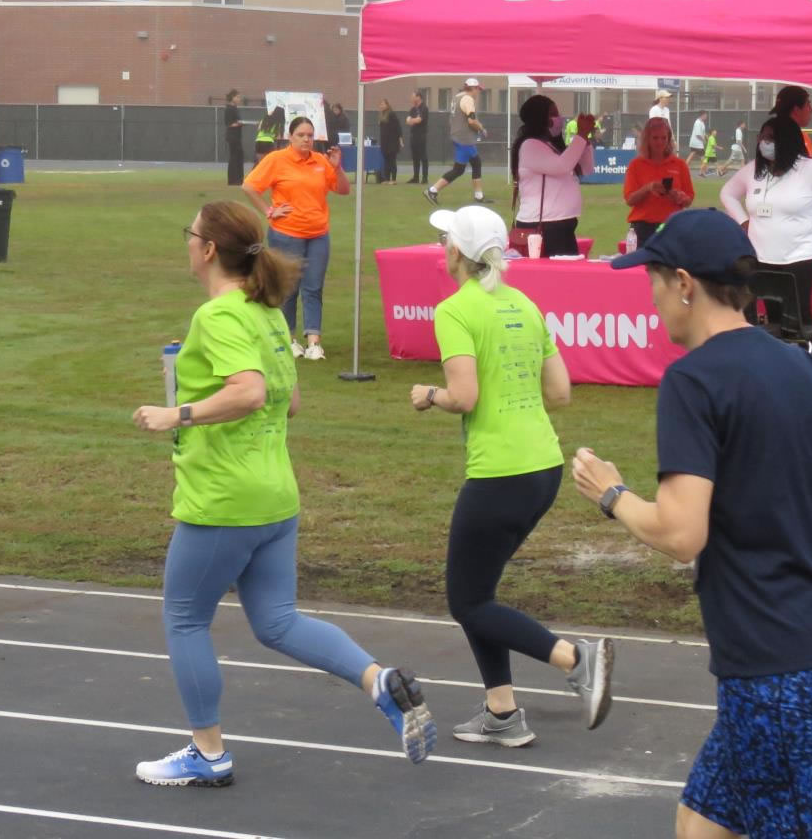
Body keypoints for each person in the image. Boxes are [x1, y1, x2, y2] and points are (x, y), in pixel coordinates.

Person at [571, 208, 812, 839]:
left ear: (684, 283)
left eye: (653, 281)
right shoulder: (796, 363)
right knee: (699, 824)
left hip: (772, 671)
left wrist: (612, 494)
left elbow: (681, 534)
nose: (651, 299)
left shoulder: (692, 382)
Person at [129, 201, 435, 786]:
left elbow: (248, 392)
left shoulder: (218, 316)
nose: (186, 242)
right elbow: (287, 401)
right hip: (275, 497)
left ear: (208, 249)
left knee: (185, 619)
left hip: (224, 500)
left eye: (190, 233)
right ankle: (378, 680)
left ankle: (208, 753)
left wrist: (177, 413)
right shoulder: (269, 315)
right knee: (277, 622)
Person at [410, 204, 614, 748]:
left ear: (456, 252)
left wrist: (429, 395)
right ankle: (501, 712)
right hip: (543, 466)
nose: (443, 248)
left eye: (446, 241)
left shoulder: (455, 310)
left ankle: (575, 659)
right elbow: (560, 393)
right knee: (481, 595)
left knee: (467, 601)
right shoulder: (524, 303)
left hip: (501, 471)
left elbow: (464, 396)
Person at [719, 94, 812, 326]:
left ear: (786, 140)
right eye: (762, 137)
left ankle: (806, 351)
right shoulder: (754, 169)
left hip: (798, 257)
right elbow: (727, 193)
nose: (764, 142)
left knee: (797, 318)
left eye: (771, 138)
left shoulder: (809, 169)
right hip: (762, 257)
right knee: (774, 320)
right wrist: (743, 221)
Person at [243, 116, 349, 360]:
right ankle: (288, 339)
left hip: (318, 234)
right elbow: (249, 186)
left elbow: (344, 190)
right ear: (290, 137)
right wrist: (269, 211)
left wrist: (337, 167)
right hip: (286, 233)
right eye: (301, 135)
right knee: (288, 287)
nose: (306, 140)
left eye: (310, 135)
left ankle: (314, 342)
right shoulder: (276, 159)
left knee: (314, 287)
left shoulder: (320, 161)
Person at [511, 94, 595, 257]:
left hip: (560, 225)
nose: (559, 118)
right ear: (539, 118)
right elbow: (562, 166)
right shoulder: (530, 145)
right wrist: (581, 135)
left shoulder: (551, 146)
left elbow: (587, 168)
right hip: (542, 226)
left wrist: (585, 139)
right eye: (553, 114)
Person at [624, 115, 694, 247]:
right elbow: (630, 200)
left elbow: (689, 200)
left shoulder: (679, 165)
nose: (660, 142)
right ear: (647, 139)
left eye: (664, 138)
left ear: (669, 139)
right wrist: (648, 188)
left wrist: (679, 196)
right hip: (643, 228)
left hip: (672, 226)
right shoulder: (636, 165)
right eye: (655, 138)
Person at [427, 78, 489, 205]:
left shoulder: (457, 97)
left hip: (457, 135)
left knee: (469, 166)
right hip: (464, 138)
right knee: (461, 168)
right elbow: (471, 121)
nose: (478, 92)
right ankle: (432, 190)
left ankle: (478, 195)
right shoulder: (468, 99)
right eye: (478, 89)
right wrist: (482, 128)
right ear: (473, 88)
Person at [406, 91, 430, 184]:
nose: (411, 99)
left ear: (418, 97)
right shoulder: (413, 109)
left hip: (421, 135)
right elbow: (408, 121)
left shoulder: (424, 108)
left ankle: (425, 178)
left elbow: (419, 120)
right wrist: (413, 120)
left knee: (423, 156)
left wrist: (413, 120)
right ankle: (415, 177)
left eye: (413, 97)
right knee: (415, 157)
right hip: (413, 135)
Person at [222, 90, 245, 187]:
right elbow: (228, 123)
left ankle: (239, 179)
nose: (239, 99)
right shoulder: (229, 109)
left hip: (237, 136)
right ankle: (233, 180)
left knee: (239, 156)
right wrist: (238, 124)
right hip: (232, 136)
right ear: (232, 97)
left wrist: (241, 123)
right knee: (234, 157)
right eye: (237, 97)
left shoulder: (235, 108)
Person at [378, 98, 403, 185]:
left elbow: (398, 127)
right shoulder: (381, 115)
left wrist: (400, 140)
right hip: (384, 142)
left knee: (392, 160)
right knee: (386, 161)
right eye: (380, 104)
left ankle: (394, 179)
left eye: (383, 104)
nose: (381, 106)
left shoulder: (392, 114)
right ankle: (387, 179)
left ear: (387, 105)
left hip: (392, 142)